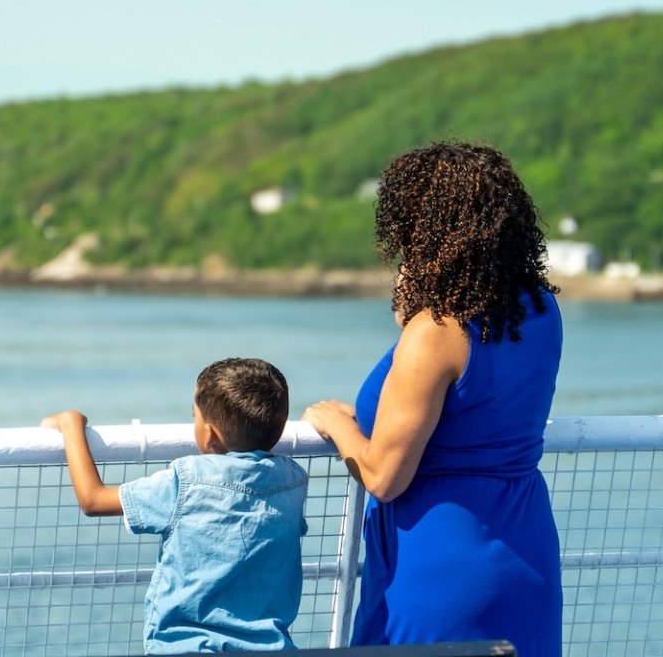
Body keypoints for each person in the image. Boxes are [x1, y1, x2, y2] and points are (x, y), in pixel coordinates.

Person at [303, 142, 564, 656]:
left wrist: (339, 427)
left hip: (439, 563)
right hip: (524, 547)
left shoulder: (436, 330)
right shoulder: (540, 310)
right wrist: (415, 315)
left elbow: (383, 477)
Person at [41, 357, 309, 654]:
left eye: (194, 415)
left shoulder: (187, 482)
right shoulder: (293, 481)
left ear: (209, 435)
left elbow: (92, 499)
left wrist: (71, 426)